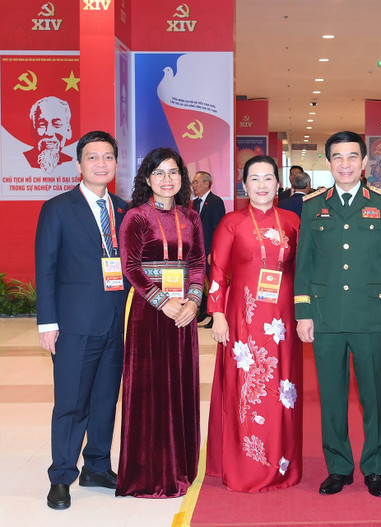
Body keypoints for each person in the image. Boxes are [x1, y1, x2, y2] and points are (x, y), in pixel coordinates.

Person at [294, 131, 381, 498]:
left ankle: (375, 468)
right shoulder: (312, 205)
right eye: (338, 157)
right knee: (331, 396)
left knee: (374, 396)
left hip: (371, 315)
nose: (345, 164)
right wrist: (303, 312)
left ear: (365, 163)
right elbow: (304, 264)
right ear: (328, 163)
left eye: (352, 157)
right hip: (325, 317)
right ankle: (338, 467)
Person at [35, 130, 126, 510]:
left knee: (106, 399)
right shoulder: (58, 208)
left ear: (116, 164)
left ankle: (98, 466)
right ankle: (61, 476)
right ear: (78, 164)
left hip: (115, 324)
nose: (101, 163)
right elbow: (46, 267)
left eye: (107, 157)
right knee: (71, 403)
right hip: (72, 325)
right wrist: (47, 323)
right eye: (93, 157)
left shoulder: (124, 209)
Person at [205, 155, 303, 492]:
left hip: (283, 320)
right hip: (243, 319)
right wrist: (217, 313)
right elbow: (217, 270)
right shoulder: (232, 222)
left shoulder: (292, 220)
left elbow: (303, 270)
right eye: (254, 179)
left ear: (278, 183)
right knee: (246, 387)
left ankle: (280, 463)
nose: (262, 185)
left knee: (281, 389)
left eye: (268, 178)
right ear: (244, 185)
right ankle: (245, 463)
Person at [117, 147, 204, 498]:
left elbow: (198, 263)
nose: (167, 180)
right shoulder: (136, 217)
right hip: (149, 314)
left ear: (182, 178)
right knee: (150, 391)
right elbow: (131, 267)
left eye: (173, 172)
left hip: (183, 312)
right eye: (159, 173)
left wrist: (194, 302)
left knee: (180, 387)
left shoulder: (191, 217)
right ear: (147, 179)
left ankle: (181, 467)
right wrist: (162, 302)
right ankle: (149, 474)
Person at [192, 170, 226, 327]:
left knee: (213, 283)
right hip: (197, 251)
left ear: (207, 183)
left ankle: (215, 316)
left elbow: (219, 229)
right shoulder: (195, 203)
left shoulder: (215, 202)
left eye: (197, 182)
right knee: (200, 281)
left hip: (210, 251)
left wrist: (214, 251)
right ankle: (204, 310)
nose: (194, 185)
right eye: (193, 182)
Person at [24, 96, 73, 173]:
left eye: (57, 124)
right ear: (33, 130)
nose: (49, 133)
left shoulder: (73, 163)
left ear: (68, 131)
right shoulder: (22, 160)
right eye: (42, 124)